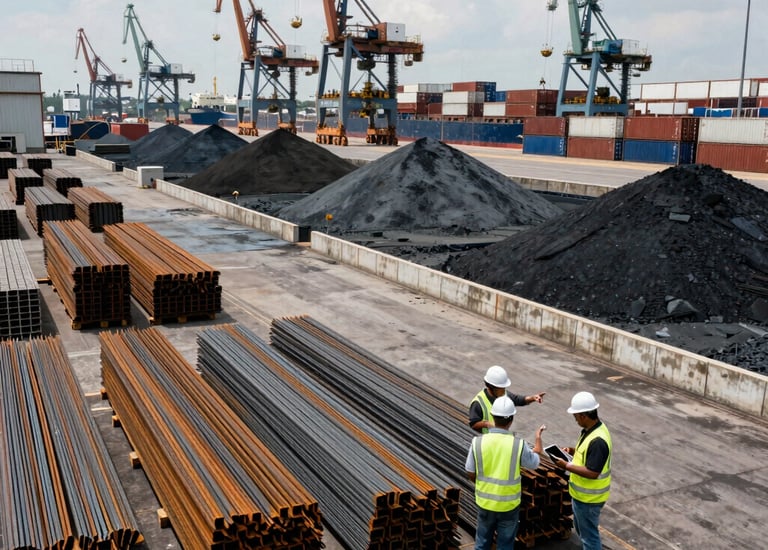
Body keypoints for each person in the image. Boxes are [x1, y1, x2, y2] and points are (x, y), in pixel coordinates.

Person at [465, 395, 546, 550]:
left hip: (485, 502)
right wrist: (537, 439)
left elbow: (470, 471)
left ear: (493, 417)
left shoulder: (478, 442)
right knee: (505, 545)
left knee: (482, 543)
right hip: (508, 506)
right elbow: (534, 463)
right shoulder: (518, 445)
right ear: (511, 420)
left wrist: (483, 485)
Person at [552, 391, 612, 550]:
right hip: (581, 497)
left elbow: (593, 472)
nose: (575, 419)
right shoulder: (590, 430)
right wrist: (571, 451)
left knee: (589, 539)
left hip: (589, 499)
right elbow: (587, 455)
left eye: (576, 416)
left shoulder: (598, 441)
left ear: (584, 415)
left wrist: (566, 466)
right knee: (583, 532)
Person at [469, 365, 546, 433]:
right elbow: (473, 424)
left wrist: (532, 398)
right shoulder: (478, 403)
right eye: (500, 388)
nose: (503, 390)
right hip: (486, 440)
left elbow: (517, 400)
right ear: (490, 386)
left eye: (504, 387)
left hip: (501, 436)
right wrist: (486, 424)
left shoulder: (504, 394)